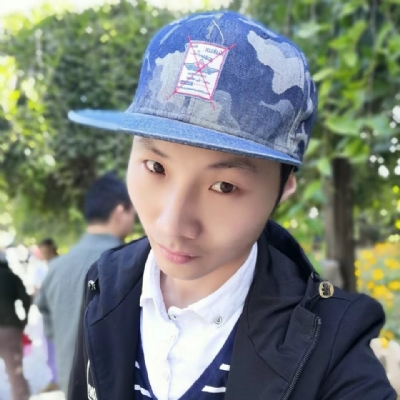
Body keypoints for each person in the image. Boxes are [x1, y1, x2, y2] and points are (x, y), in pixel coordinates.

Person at [67, 11, 396, 400]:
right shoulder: (106, 283)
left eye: (224, 186)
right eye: (156, 167)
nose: (172, 223)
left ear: (284, 189)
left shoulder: (331, 343)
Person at [36, 172, 135, 396]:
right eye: (132, 212)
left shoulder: (56, 267)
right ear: (120, 211)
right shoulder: (131, 264)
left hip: (71, 384)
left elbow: (47, 323)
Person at [0, 252, 31, 400]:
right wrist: (24, 319)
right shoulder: (11, 277)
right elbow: (26, 299)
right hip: (9, 327)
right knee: (15, 372)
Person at [32, 238, 59, 393]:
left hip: (62, 310)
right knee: (49, 348)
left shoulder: (61, 264)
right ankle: (54, 379)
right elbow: (37, 291)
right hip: (47, 313)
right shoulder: (39, 269)